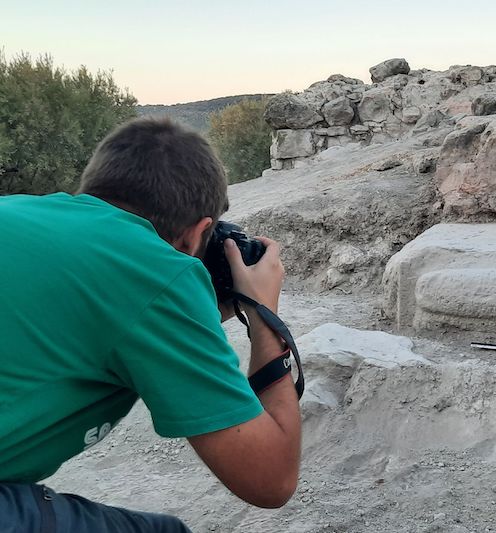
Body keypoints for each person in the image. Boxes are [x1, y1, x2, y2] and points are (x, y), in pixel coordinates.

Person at [0, 117, 302, 531]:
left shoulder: (19, 210)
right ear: (195, 235)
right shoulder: (156, 273)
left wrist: (198, 311)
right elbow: (270, 479)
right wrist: (264, 315)